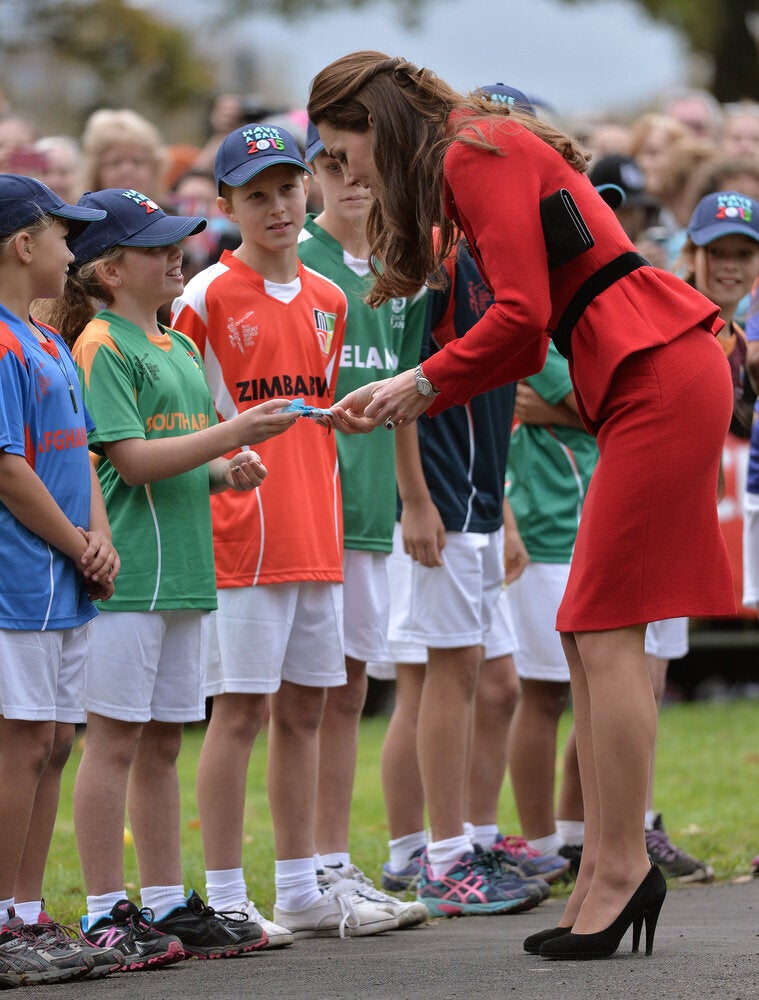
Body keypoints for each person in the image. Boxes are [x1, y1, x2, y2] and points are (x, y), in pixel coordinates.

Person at [308, 51, 736, 961]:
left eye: (344, 155)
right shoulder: (475, 149)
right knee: (591, 626)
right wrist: (413, 394)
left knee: (603, 624)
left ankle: (616, 866)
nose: (348, 177)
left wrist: (419, 381)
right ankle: (604, 868)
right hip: (642, 367)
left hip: (653, 369)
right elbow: (516, 336)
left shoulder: (475, 150)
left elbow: (517, 318)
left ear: (375, 121)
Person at [54, 187, 295, 968]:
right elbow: (128, 459)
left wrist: (229, 467)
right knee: (115, 742)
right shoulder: (100, 345)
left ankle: (162, 902)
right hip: (131, 576)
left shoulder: (179, 347)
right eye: (156, 246)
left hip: (186, 571)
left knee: (161, 745)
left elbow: (184, 448)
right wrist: (233, 432)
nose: (175, 255)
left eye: (175, 241)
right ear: (108, 270)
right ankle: (102, 910)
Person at [170, 121, 398, 942]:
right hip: (239, 541)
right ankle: (229, 892)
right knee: (239, 715)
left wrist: (338, 420)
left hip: (315, 531)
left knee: (308, 709)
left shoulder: (332, 299)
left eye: (287, 188)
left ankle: (300, 889)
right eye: (255, 194)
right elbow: (186, 425)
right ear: (225, 203)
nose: (276, 206)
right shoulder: (202, 298)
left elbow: (310, 412)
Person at [296, 121, 429, 929]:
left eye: (357, 165)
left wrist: (415, 498)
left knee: (350, 689)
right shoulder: (293, 264)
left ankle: (334, 862)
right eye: (330, 165)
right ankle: (302, 872)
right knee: (301, 696)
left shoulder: (394, 272)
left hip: (374, 510)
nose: (349, 180)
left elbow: (407, 397)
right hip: (306, 511)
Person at [0, 174, 122, 986]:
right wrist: (79, 544)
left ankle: (28, 911)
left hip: (64, 573)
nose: (71, 250)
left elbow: (77, 447)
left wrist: (100, 537)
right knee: (20, 744)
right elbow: (8, 470)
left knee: (56, 741)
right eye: (62, 234)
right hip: (20, 578)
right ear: (21, 244)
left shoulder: (44, 337)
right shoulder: (4, 343)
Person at [79, 109, 167, 203]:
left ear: (154, 168)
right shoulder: (77, 216)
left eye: (137, 161)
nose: (126, 170)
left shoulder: (176, 215)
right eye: (115, 162)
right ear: (96, 172)